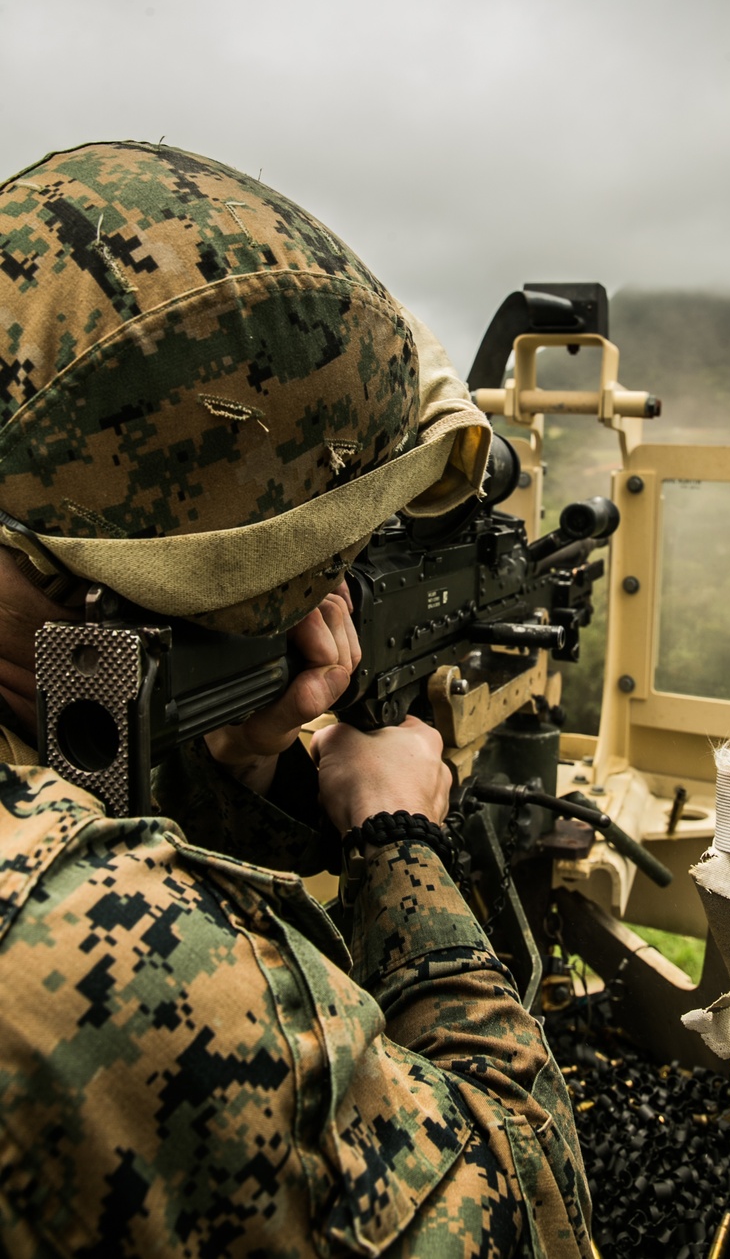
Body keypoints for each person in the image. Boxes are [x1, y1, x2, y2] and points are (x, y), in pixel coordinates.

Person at [0, 142, 591, 1257]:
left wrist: (232, 772)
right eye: (330, 568)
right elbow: (533, 1204)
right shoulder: (76, 947)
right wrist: (397, 833)